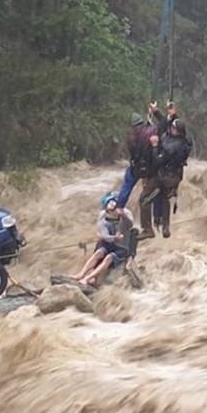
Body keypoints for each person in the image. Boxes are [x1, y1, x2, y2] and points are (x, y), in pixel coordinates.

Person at [139, 105, 193, 238]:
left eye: (173, 128)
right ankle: (165, 227)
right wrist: (170, 114)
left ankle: (148, 229)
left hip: (164, 176)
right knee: (165, 199)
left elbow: (158, 160)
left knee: (144, 199)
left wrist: (155, 146)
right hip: (175, 177)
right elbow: (167, 124)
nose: (170, 128)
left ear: (177, 131)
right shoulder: (185, 141)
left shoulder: (172, 146)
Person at [71, 192, 134, 287]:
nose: (113, 204)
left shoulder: (125, 213)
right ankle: (81, 274)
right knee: (99, 253)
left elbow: (130, 225)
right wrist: (114, 238)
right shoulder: (103, 219)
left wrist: (123, 215)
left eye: (114, 202)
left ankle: (88, 278)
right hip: (109, 242)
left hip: (122, 246)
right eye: (110, 204)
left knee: (109, 258)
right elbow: (105, 236)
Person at [117, 112, 158, 209]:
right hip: (149, 169)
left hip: (136, 167)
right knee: (157, 188)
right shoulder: (149, 131)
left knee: (126, 186)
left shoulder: (129, 137)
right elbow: (156, 129)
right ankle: (158, 217)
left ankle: (119, 207)